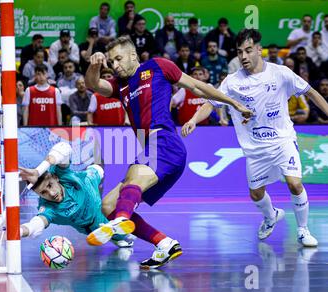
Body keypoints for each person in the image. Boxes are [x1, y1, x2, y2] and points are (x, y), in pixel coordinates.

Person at [84, 36, 252, 269]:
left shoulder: (158, 66)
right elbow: (93, 84)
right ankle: (164, 244)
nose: (115, 65)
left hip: (165, 142)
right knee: (108, 206)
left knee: (132, 179)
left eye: (119, 59)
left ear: (133, 55)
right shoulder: (119, 86)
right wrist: (94, 65)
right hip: (153, 152)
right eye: (111, 62)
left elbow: (198, 86)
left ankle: (123, 219)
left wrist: (234, 103)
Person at [182, 28, 328, 247]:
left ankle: (302, 230)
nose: (243, 56)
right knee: (256, 194)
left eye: (248, 50)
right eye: (240, 51)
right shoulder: (232, 82)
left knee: (295, 184)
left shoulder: (281, 73)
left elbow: (311, 92)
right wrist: (194, 119)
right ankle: (271, 216)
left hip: (282, 140)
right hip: (255, 149)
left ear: (259, 50)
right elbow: (211, 102)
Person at [19, 142, 135, 248]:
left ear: (55, 178)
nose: (52, 193)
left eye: (50, 186)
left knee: (99, 164)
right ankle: (118, 236)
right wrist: (18, 231)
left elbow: (63, 148)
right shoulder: (48, 209)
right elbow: (36, 225)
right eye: (43, 192)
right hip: (93, 222)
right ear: (37, 194)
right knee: (122, 235)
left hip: (89, 178)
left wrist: (39, 170)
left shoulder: (59, 172)